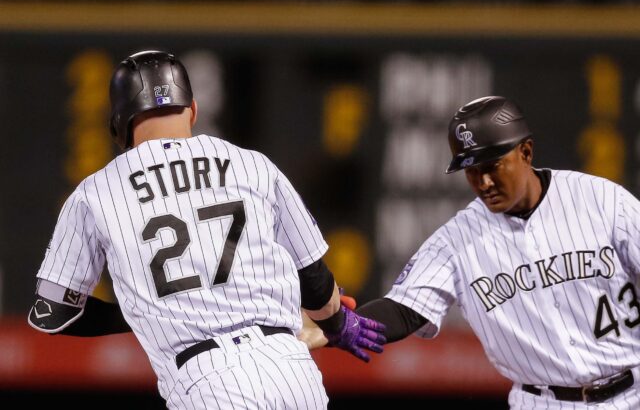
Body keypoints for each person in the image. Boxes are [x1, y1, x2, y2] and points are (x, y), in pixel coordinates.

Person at [27, 49, 386, 409]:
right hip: (290, 369)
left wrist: (141, 311)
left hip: (204, 379)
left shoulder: (95, 193)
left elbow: (53, 312)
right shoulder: (253, 165)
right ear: (193, 109)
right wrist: (340, 324)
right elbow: (314, 279)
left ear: (119, 124)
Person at [348, 95, 640, 409]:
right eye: (471, 170)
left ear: (525, 152)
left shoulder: (601, 201)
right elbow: (404, 310)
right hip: (543, 402)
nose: (483, 182)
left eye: (492, 166)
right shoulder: (457, 239)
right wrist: (338, 323)